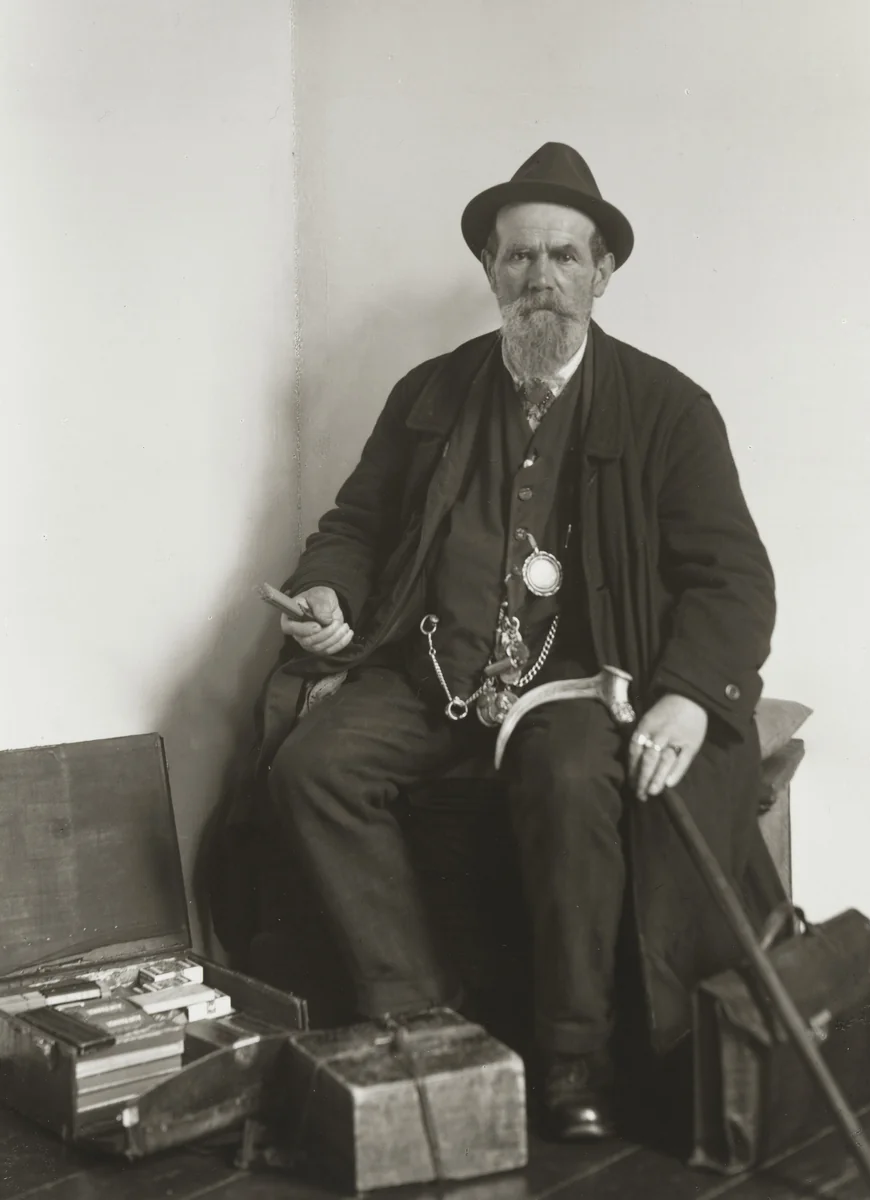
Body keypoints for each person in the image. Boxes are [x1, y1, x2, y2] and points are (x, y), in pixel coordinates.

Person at [263, 143, 777, 1141]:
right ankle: (426, 1016)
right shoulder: (429, 393)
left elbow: (732, 578)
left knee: (570, 776)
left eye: (563, 257)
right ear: (488, 269)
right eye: (519, 257)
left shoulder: (668, 409)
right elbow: (356, 524)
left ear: (601, 272)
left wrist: (686, 692)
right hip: (433, 674)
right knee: (311, 766)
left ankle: (574, 1057)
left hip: (578, 688)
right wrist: (329, 588)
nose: (540, 278)